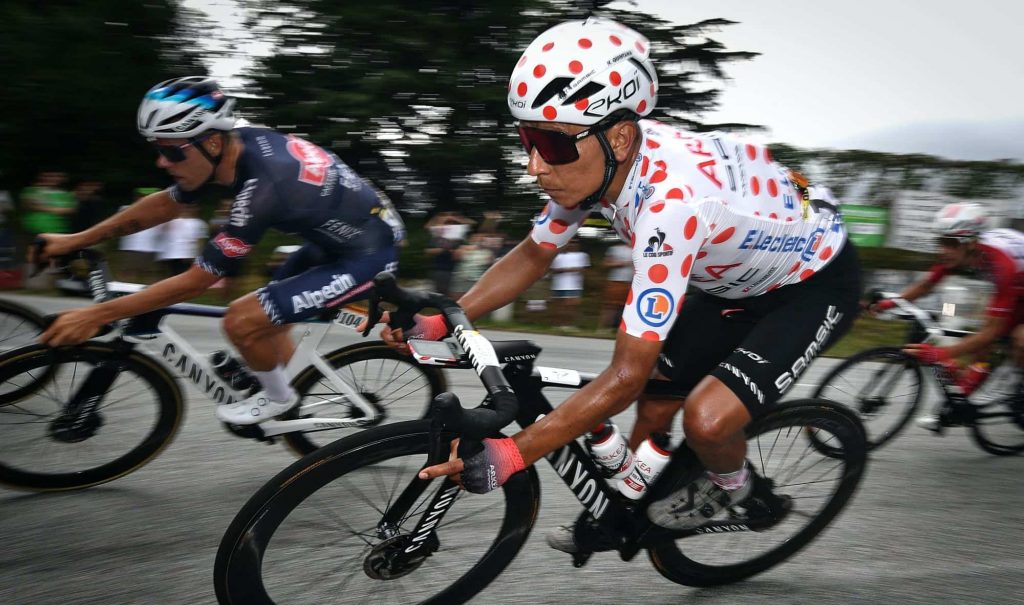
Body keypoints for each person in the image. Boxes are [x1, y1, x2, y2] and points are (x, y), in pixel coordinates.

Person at [370, 18, 861, 551]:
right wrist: (449, 314)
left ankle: (740, 490)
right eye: (526, 140)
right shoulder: (597, 163)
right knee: (656, 400)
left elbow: (624, 374)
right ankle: (630, 505)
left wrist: (514, 454)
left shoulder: (673, 206)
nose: (535, 167)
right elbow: (536, 251)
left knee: (707, 419)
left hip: (815, 282)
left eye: (551, 146)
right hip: (735, 284)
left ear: (621, 136)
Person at [36, 76, 405, 426]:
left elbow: (195, 281)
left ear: (211, 142)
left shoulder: (264, 187)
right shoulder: (229, 148)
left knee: (241, 320)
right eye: (156, 149)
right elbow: (166, 204)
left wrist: (95, 315)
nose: (161, 162)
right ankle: (292, 395)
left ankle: (280, 399)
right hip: (334, 240)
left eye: (170, 151)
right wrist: (76, 239)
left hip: (368, 254)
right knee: (270, 326)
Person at [872, 203, 1024, 414]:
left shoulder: (1003, 265)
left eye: (949, 243)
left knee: (1017, 338)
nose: (942, 250)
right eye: (940, 241)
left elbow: (991, 331)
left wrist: (940, 353)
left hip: (1016, 277)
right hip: (1017, 287)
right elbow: (927, 285)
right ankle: (964, 396)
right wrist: (891, 303)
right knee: (985, 342)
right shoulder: (960, 253)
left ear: (970, 243)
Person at [548, 237, 589, 329]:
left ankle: (569, 325)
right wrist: (569, 270)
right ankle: (556, 324)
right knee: (559, 306)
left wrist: (565, 270)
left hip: (574, 286)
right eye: (570, 242)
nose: (572, 244)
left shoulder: (582, 255)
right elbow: (552, 270)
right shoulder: (557, 255)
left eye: (574, 242)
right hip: (558, 285)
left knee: (571, 306)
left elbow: (583, 270)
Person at [157, 204, 208, 275]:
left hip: (187, 257)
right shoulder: (171, 221)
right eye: (186, 207)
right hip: (169, 256)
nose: (187, 209)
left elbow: (200, 243)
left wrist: (196, 257)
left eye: (190, 207)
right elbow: (160, 232)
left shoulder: (200, 223)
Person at [600, 239, 633, 329]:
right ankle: (604, 328)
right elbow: (605, 264)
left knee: (626, 307)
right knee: (610, 306)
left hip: (630, 283)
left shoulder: (636, 250)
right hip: (615, 281)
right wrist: (619, 264)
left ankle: (621, 328)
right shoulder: (615, 249)